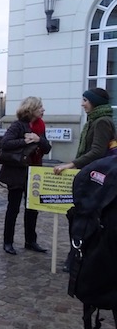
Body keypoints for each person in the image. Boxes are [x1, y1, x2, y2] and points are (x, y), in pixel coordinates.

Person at [53, 87, 116, 271]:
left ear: (94, 102)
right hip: (91, 174)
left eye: (85, 100)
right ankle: (76, 257)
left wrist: (72, 164)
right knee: (79, 217)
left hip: (96, 179)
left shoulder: (101, 122)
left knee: (85, 219)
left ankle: (78, 259)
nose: (82, 104)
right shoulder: (95, 120)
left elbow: (97, 151)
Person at [0, 97, 52, 255]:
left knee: (33, 207)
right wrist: (25, 140)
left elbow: (47, 148)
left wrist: (38, 139)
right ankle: (8, 241)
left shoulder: (40, 125)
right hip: (17, 171)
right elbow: (6, 144)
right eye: (40, 107)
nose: (43, 110)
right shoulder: (18, 125)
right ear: (31, 109)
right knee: (13, 208)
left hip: (35, 171)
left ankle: (31, 241)